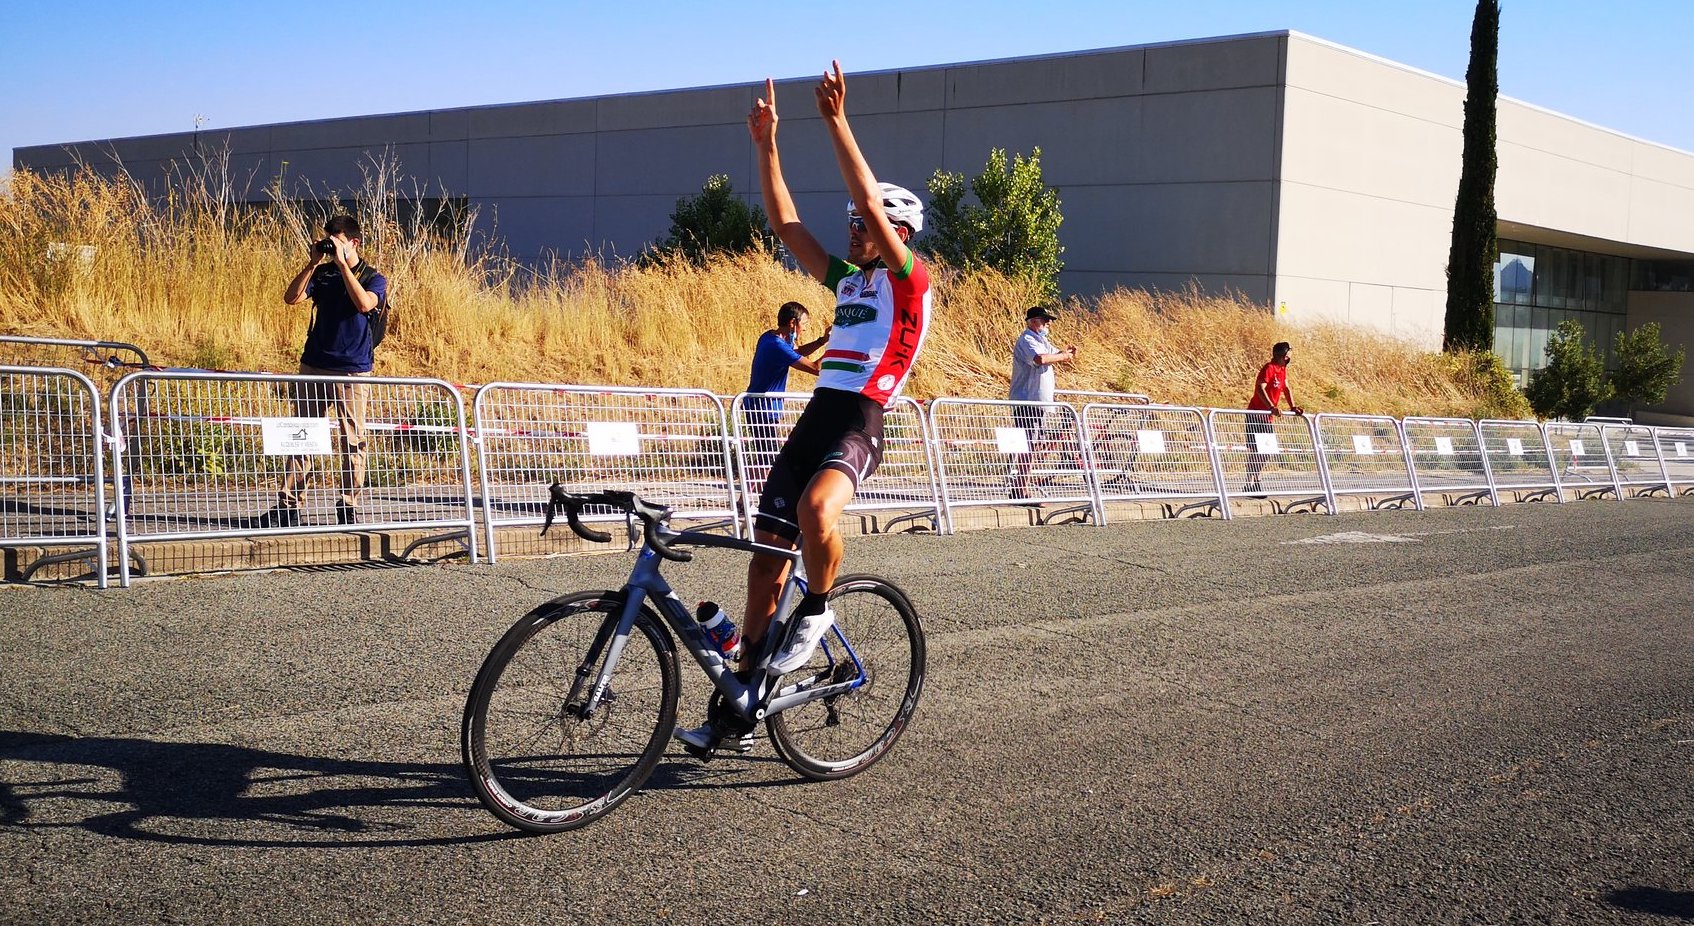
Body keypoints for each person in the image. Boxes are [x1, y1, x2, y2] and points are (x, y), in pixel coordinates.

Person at [674, 63, 933, 753]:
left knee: (820, 511)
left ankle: (819, 609)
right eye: (850, 224)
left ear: (900, 232)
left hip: (861, 419)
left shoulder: (911, 283)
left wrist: (836, 121)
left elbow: (871, 204)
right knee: (764, 563)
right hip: (816, 415)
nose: (853, 230)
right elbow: (788, 225)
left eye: (865, 224)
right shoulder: (849, 279)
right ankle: (740, 705)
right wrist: (766, 143)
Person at [261, 215, 388, 527]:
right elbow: (290, 298)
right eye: (328, 239)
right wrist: (312, 264)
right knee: (302, 436)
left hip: (351, 370)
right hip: (314, 363)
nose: (332, 244)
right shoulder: (323, 273)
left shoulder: (374, 277)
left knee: (351, 438)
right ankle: (288, 506)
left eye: (338, 239)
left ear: (354, 242)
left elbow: (364, 305)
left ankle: (347, 505)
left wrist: (345, 266)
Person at [744, 301, 831, 477]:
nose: (805, 329)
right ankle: (750, 499)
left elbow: (797, 352)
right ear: (792, 323)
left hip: (764, 407)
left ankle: (743, 500)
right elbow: (816, 368)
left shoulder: (771, 337)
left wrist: (822, 341)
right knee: (768, 457)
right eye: (804, 324)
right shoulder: (776, 346)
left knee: (766, 456)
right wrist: (837, 346)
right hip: (762, 409)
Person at [1008, 305, 1077, 497]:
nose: (1048, 323)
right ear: (1033, 321)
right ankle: (1021, 488)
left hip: (1038, 401)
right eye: (1045, 319)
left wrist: (1067, 353)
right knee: (1029, 443)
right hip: (1027, 400)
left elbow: (1053, 354)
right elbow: (1040, 359)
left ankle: (1022, 484)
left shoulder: (1042, 340)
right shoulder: (1027, 340)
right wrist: (1063, 356)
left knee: (1033, 442)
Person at [1242, 341, 1302, 495]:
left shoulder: (1282, 370)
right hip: (1256, 415)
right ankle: (1251, 483)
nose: (1290, 357)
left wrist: (1293, 406)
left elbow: (1286, 388)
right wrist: (1270, 406)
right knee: (1257, 450)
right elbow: (1260, 388)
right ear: (1283, 355)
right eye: (1288, 354)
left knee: (1267, 450)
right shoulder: (1269, 368)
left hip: (1267, 418)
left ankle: (1255, 480)